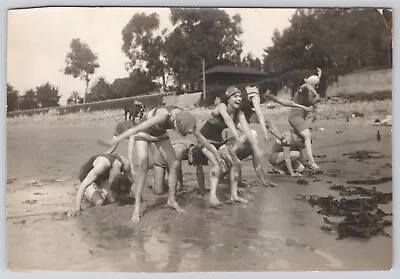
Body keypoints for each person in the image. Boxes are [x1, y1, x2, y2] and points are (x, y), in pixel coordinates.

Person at [97, 105, 226, 223]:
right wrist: (115, 140)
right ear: (176, 125)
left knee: (174, 163)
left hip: (159, 133)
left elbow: (201, 138)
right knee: (144, 165)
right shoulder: (162, 115)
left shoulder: (186, 119)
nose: (186, 135)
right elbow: (136, 128)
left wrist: (216, 154)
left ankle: (171, 200)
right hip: (143, 133)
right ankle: (137, 208)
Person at [199, 86, 270, 207]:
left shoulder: (239, 113)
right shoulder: (222, 106)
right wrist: (237, 137)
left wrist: (256, 148)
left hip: (218, 141)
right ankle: (212, 198)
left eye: (240, 96)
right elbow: (227, 120)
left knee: (236, 163)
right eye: (235, 96)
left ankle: (234, 195)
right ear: (228, 98)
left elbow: (247, 130)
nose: (238, 99)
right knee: (219, 165)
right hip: (204, 140)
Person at [240, 84, 314, 144]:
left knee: (267, 122)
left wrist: (303, 107)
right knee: (249, 132)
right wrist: (265, 133)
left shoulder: (267, 94)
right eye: (268, 93)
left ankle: (282, 140)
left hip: (246, 110)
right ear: (265, 90)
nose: (269, 96)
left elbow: (284, 102)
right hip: (237, 109)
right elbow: (259, 115)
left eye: (270, 93)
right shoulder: (255, 95)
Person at [68, 153, 133, 217]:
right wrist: (77, 209)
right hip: (87, 176)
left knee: (112, 200)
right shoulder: (102, 166)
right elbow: (82, 186)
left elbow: (131, 182)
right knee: (99, 202)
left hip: (103, 178)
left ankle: (101, 188)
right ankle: (87, 193)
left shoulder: (125, 164)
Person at [287, 68, 322, 172]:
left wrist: (318, 77)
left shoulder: (311, 95)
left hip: (301, 117)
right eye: (315, 86)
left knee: (300, 140)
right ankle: (311, 161)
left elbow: (314, 112)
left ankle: (300, 162)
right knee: (307, 136)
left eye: (317, 86)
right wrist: (315, 93)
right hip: (294, 116)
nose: (316, 87)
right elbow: (307, 85)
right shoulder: (302, 91)